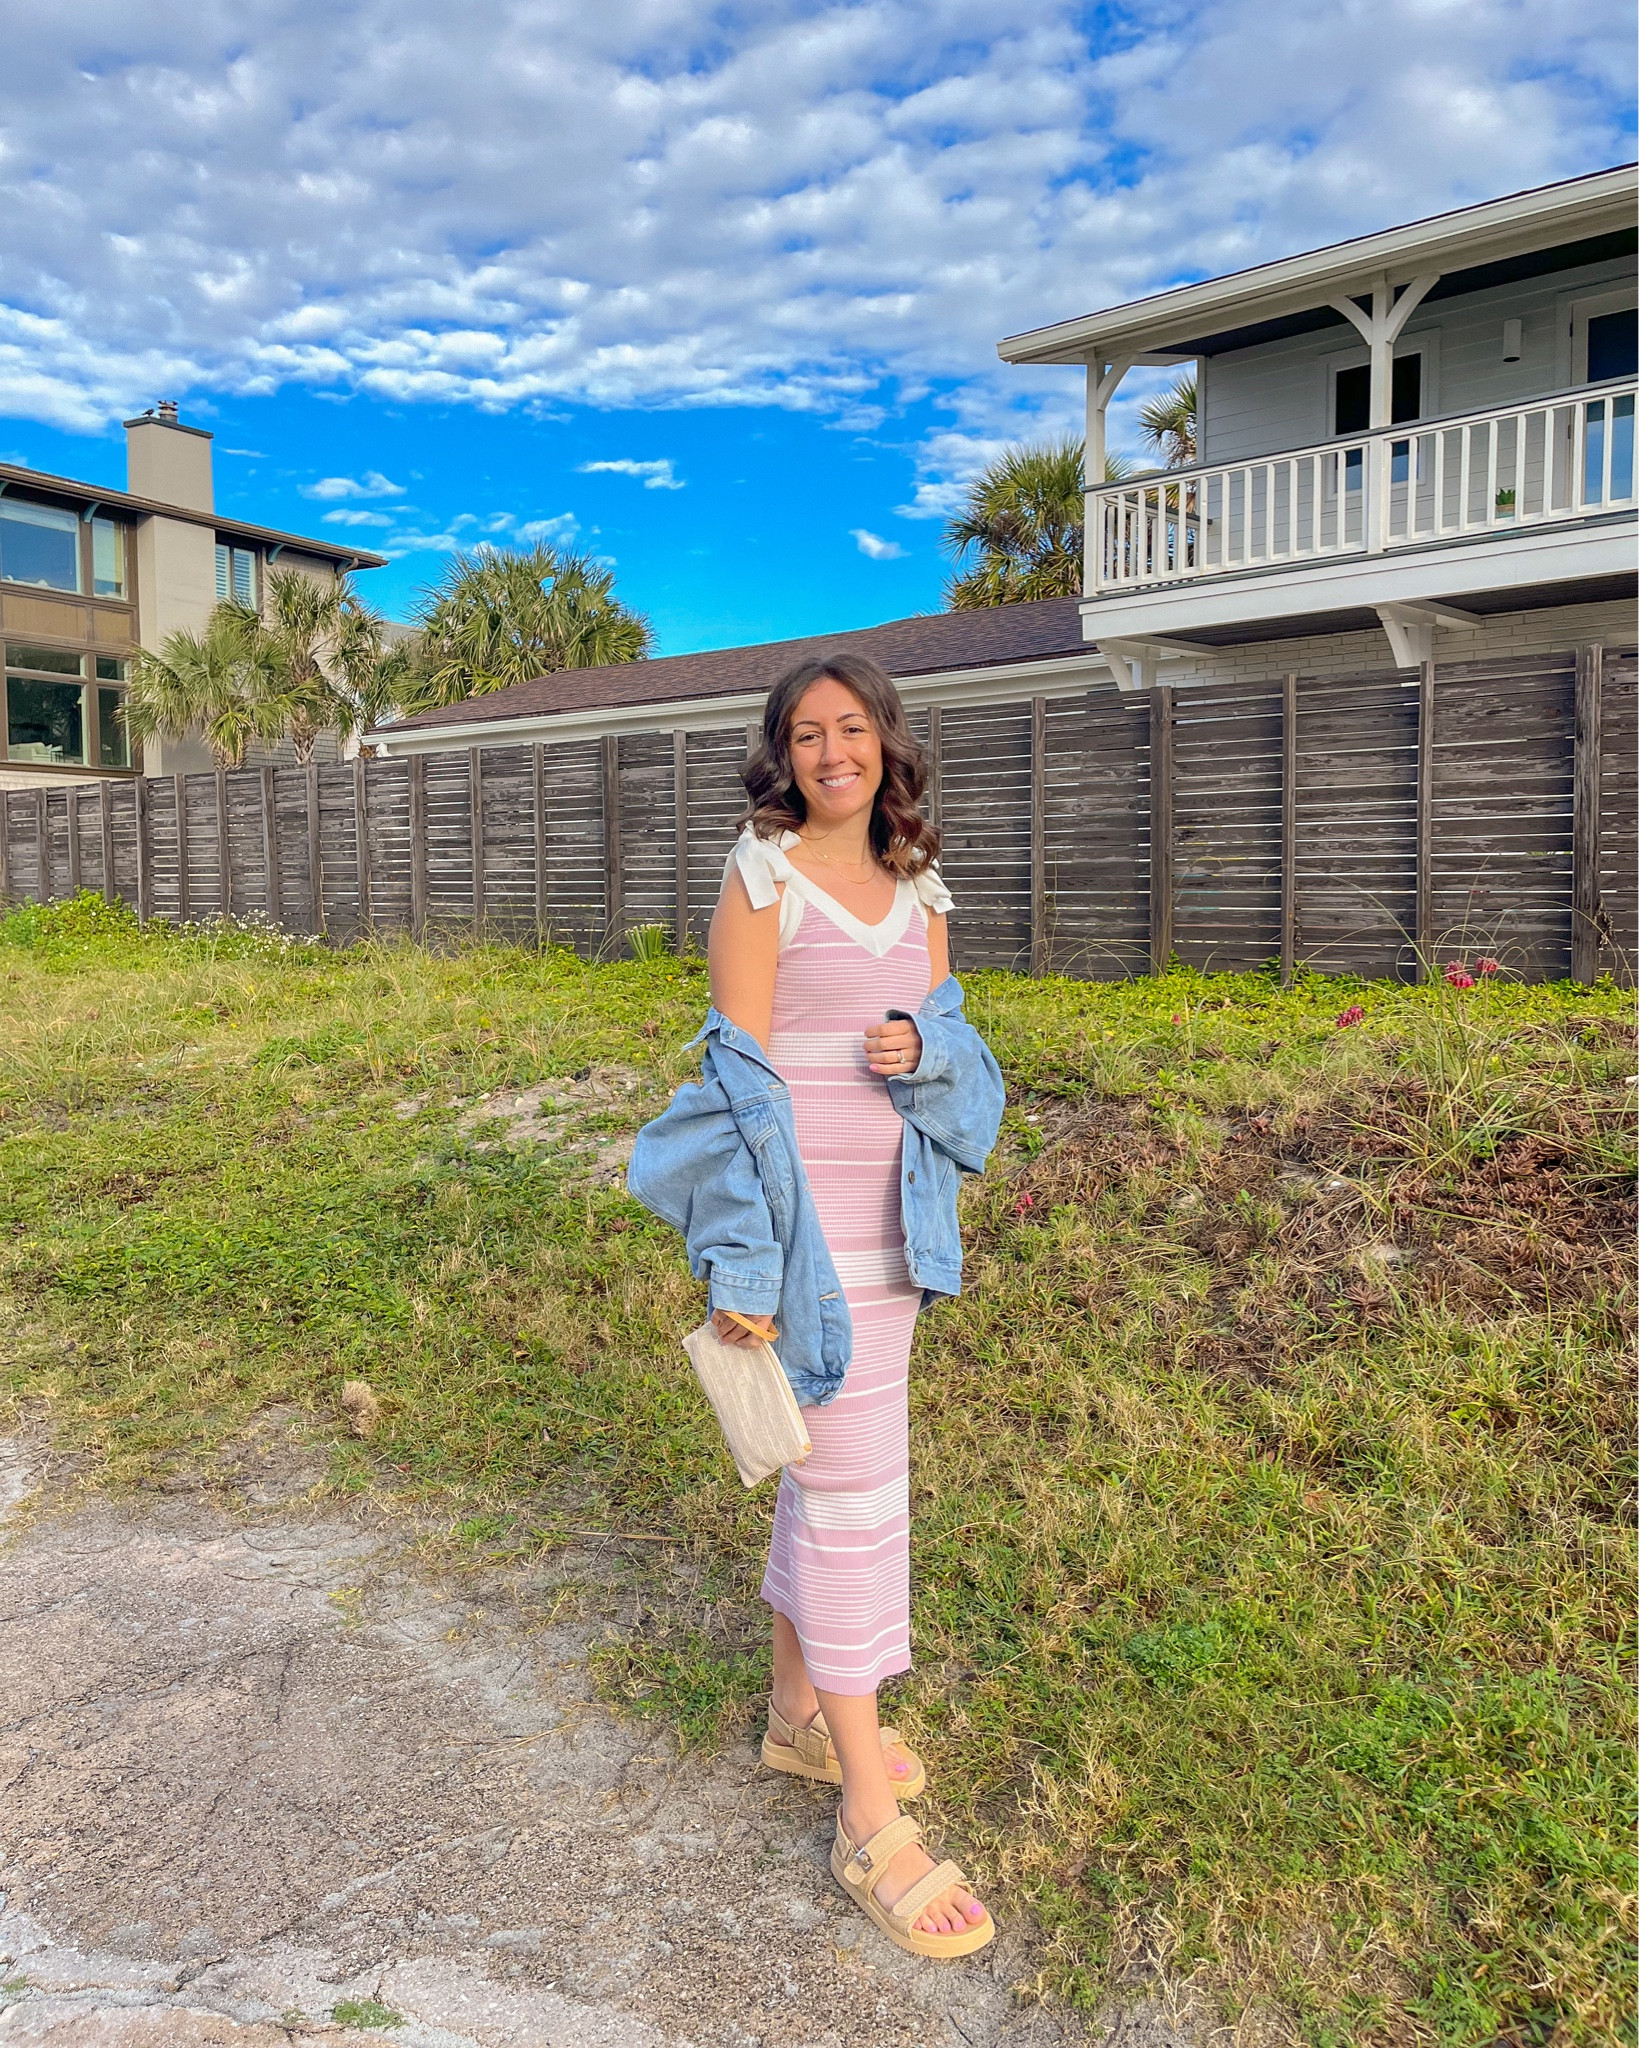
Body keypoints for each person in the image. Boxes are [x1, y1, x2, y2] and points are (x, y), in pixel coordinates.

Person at [627, 654, 1005, 1960]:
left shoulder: (921, 889)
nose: (830, 751)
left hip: (893, 1242)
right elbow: (738, 1082)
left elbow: (956, 1065)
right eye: (805, 733)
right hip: (801, 1249)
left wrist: (924, 1049)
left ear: (884, 744)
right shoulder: (759, 875)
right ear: (781, 754)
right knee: (851, 1503)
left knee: (824, 1478)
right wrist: (743, 1275)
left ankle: (797, 1714)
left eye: (850, 729)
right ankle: (862, 1815)